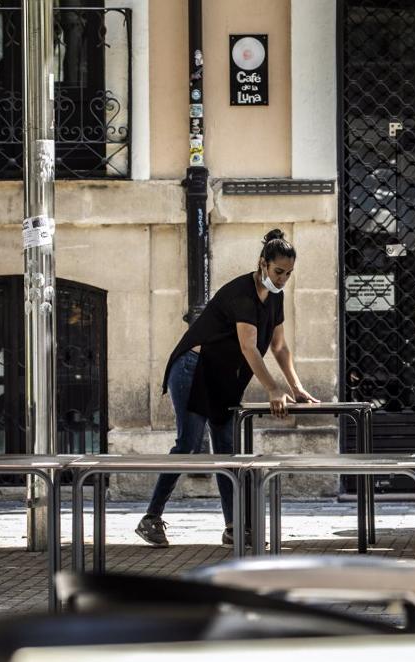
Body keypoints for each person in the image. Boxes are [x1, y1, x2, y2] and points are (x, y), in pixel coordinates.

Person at [136, 229, 319, 547]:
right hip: (193, 369)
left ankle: (234, 527)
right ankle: (150, 519)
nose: (283, 279)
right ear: (263, 263)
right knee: (188, 445)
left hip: (224, 376)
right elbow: (249, 348)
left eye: (289, 274)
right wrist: (274, 389)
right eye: (278, 272)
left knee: (227, 452)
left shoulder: (275, 296)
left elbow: (279, 347)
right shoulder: (242, 294)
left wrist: (297, 387)